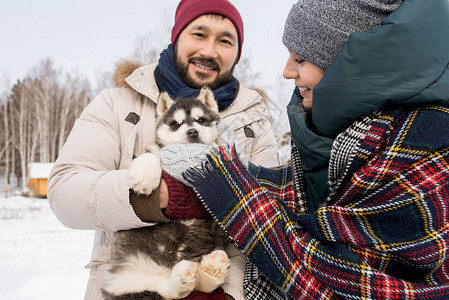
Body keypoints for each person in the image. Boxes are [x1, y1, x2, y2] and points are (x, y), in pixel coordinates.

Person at [160, 0, 449, 298]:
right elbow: (309, 194)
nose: (286, 72)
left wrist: (226, 184)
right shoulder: (349, 132)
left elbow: (338, 282)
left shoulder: (427, 139)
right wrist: (245, 172)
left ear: (349, 62)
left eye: (300, 59)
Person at [47, 0, 279, 299]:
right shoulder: (118, 104)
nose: (209, 51)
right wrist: (158, 196)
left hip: (215, 282)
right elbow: (65, 191)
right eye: (199, 33)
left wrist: (230, 293)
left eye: (224, 40)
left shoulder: (254, 120)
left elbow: (269, 221)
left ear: (237, 53)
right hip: (135, 278)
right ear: (177, 37)